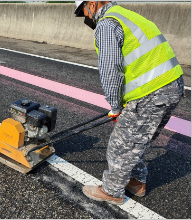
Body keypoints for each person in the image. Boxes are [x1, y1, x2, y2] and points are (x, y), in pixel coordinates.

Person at [74, 1, 185, 205]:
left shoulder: (107, 24)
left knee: (120, 145)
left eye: (83, 13)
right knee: (138, 139)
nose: (86, 18)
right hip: (173, 84)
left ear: (91, 3)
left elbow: (110, 71)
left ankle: (111, 190)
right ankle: (136, 182)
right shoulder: (126, 15)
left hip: (152, 91)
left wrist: (115, 106)